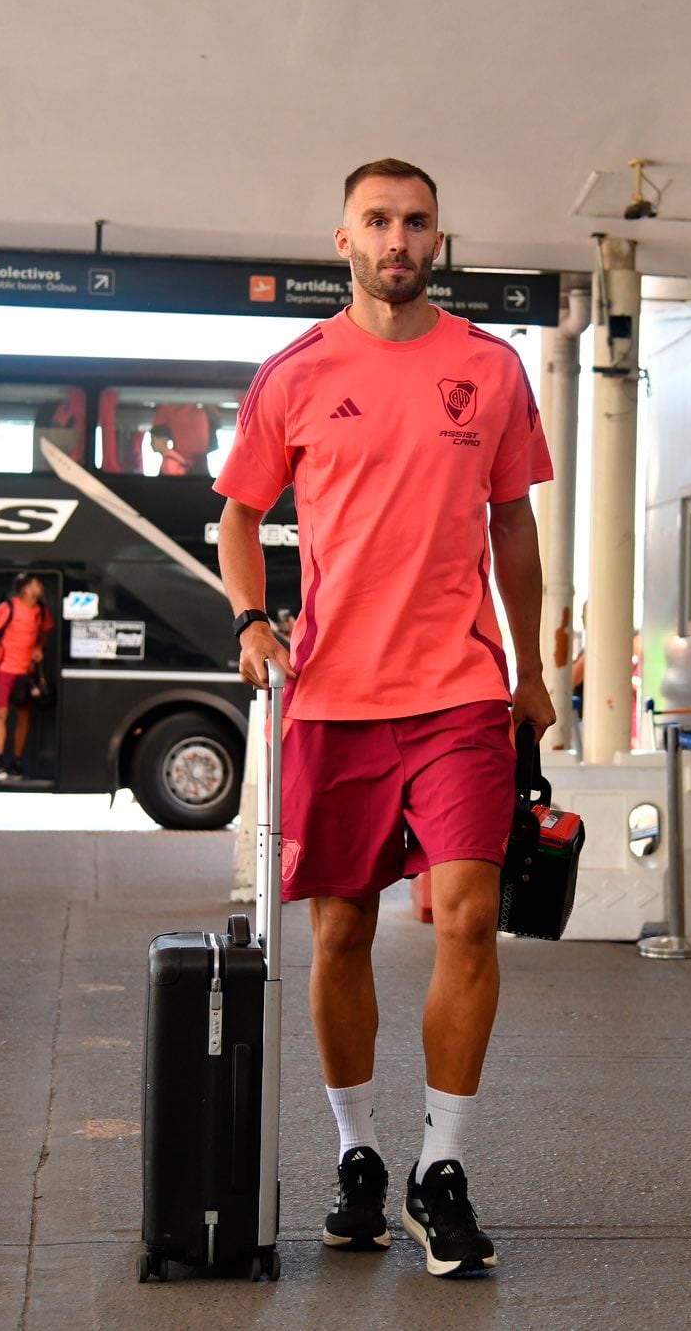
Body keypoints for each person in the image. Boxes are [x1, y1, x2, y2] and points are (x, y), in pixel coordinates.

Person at [215, 158, 553, 1278]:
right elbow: (238, 514)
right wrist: (253, 620)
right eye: (377, 221)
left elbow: (513, 526)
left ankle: (440, 1166)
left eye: (415, 222)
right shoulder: (295, 373)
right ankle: (358, 1153)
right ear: (343, 238)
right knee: (342, 933)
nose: (397, 238)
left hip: (459, 687)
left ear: (437, 241)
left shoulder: (490, 369)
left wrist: (533, 665)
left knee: (464, 916)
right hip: (333, 695)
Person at [0, 572, 51, 780]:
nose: (40, 587)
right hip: (4, 668)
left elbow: (45, 632)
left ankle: (17, 762)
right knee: (1, 714)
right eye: (36, 583)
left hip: (26, 672)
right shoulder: (8, 608)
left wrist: (39, 648)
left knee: (24, 716)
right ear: (25, 589)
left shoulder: (42, 610)